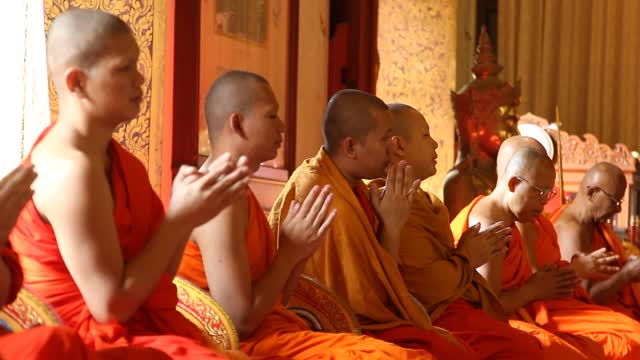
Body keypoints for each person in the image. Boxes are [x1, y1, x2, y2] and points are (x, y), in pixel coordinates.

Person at [9, 9, 250, 359]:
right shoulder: (70, 172)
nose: (141, 79)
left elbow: (156, 275)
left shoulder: (119, 161)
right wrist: (179, 219)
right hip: (84, 342)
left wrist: (190, 213)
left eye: (137, 65)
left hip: (134, 328)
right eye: (124, 69)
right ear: (76, 82)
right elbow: (110, 307)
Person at [179, 71, 434, 359]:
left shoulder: (237, 192)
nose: (282, 126)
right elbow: (241, 323)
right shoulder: (219, 199)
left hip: (279, 331)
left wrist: (298, 254)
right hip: (252, 346)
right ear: (238, 123)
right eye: (271, 115)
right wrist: (289, 253)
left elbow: (276, 302)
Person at [270, 89, 479, 359]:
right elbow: (366, 305)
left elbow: (377, 287)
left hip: (366, 320)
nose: (392, 149)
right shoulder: (327, 196)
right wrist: (392, 227)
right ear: (351, 147)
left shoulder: (354, 186)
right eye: (384, 140)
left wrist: (391, 224)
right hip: (331, 326)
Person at [387, 103, 546, 359]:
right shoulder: (394, 204)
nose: (436, 144)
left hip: (461, 307)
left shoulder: (426, 202)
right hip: (438, 315)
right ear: (398, 146)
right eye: (426, 136)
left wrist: (463, 257)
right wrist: (466, 258)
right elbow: (421, 288)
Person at [451, 147, 640, 359]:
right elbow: (488, 310)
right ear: (514, 183)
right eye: (540, 193)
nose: (544, 205)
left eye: (548, 194)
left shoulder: (511, 219)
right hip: (494, 322)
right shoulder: (490, 225)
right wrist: (533, 290)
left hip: (529, 310)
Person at [551, 162, 640, 320]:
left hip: (610, 308)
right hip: (581, 316)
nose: (618, 209)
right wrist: (625, 275)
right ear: (592, 193)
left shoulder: (594, 224)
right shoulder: (571, 230)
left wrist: (626, 267)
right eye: (615, 201)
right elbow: (585, 297)